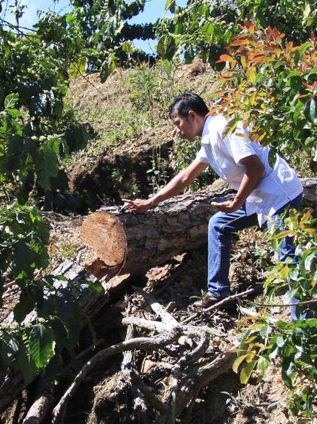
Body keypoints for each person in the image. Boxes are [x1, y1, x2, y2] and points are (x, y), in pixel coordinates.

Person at [122, 93, 303, 308]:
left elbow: (256, 168)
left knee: (288, 260)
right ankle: (218, 294)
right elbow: (185, 177)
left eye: (178, 123)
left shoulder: (221, 129)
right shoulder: (208, 139)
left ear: (192, 115)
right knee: (219, 224)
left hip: (279, 195)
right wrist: (150, 202)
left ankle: (302, 324)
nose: (177, 131)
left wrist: (236, 202)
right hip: (260, 198)